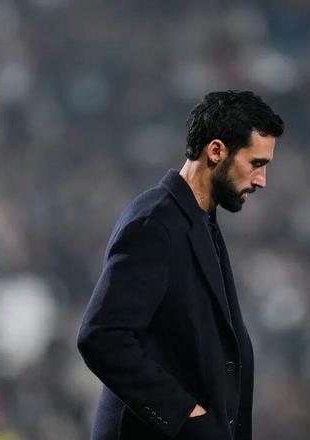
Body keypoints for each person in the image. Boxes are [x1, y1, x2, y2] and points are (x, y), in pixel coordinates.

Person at [77, 90, 284, 440]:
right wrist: (184, 414)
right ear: (216, 151)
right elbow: (102, 337)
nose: (261, 180)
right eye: (256, 163)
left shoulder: (199, 221)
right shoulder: (154, 225)